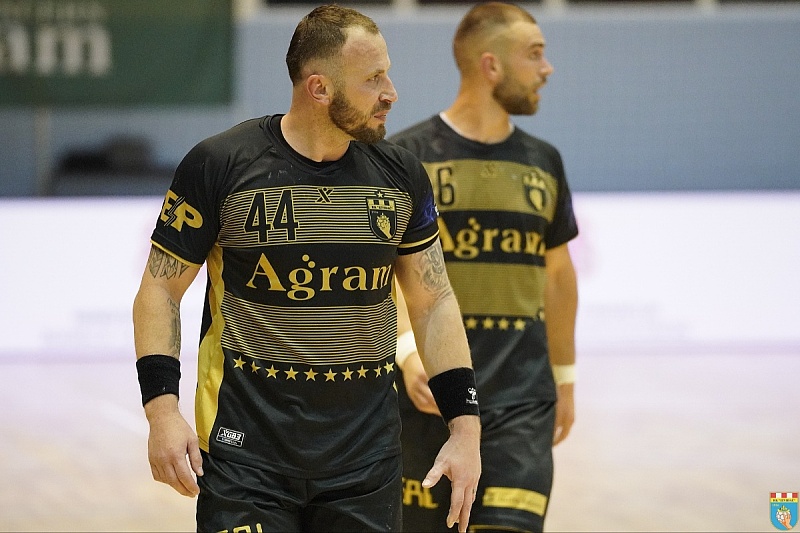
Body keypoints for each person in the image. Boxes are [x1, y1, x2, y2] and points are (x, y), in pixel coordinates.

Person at [131, 5, 481, 532]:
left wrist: (465, 428)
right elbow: (160, 289)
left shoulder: (400, 174)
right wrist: (161, 412)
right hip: (245, 459)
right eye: (373, 79)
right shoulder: (220, 164)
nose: (391, 92)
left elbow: (433, 301)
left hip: (367, 463)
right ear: (319, 88)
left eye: (386, 74)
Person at [388, 3, 578, 532]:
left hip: (521, 399)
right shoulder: (406, 157)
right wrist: (407, 351)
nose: (547, 68)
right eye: (534, 54)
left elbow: (558, 277)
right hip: (428, 396)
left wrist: (565, 379)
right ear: (491, 65)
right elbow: (388, 271)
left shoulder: (545, 162)